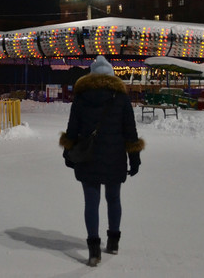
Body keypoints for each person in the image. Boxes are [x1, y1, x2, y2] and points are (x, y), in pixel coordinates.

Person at [59, 55, 144, 267]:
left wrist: (68, 151)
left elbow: (73, 128)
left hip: (88, 157)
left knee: (91, 201)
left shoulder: (81, 97)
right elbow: (129, 130)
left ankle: (94, 250)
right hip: (114, 156)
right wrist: (134, 156)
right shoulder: (121, 98)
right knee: (114, 198)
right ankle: (113, 242)